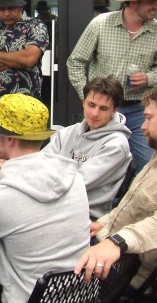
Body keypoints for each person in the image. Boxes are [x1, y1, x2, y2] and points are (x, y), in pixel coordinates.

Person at [0, 93, 90, 303]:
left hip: (28, 299)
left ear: (8, 138)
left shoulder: (0, 198)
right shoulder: (75, 178)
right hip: (79, 296)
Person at [74, 84, 157, 302]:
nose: (142, 126)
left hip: (131, 283)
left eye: (149, 118)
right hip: (112, 257)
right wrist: (103, 223)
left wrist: (116, 242)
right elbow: (130, 206)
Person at [67, 0, 157, 173]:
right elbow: (75, 62)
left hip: (138, 110)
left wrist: (149, 78)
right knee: (91, 163)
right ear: (134, 2)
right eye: (151, 1)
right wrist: (87, 97)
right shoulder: (100, 24)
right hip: (104, 107)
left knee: (146, 164)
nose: (156, 6)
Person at [42, 76, 132, 220]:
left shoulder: (116, 145)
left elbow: (78, 183)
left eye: (103, 108)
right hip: (53, 205)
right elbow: (40, 165)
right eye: (91, 105)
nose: (95, 113)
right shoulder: (67, 133)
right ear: (83, 102)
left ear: (114, 110)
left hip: (86, 217)